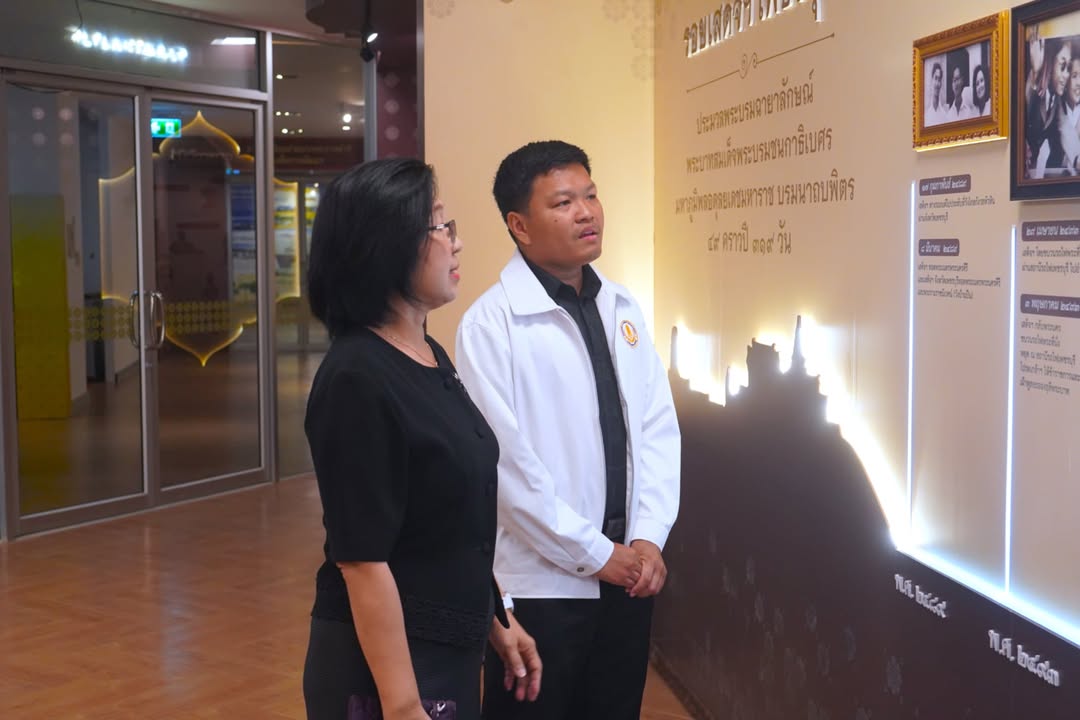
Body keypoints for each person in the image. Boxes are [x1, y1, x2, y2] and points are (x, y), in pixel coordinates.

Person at [302, 158, 541, 720]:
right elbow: (362, 561)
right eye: (439, 226)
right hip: (386, 670)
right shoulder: (357, 378)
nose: (456, 243)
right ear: (384, 246)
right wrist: (405, 704)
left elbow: (444, 523)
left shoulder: (426, 353)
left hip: (442, 644)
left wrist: (495, 618)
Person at [455, 140, 681, 720]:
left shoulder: (622, 307)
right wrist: (595, 554)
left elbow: (657, 428)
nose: (586, 212)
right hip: (542, 587)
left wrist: (648, 538)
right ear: (519, 225)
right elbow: (507, 471)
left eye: (591, 195)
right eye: (563, 202)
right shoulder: (490, 325)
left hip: (629, 575)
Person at [925, 61, 947, 126]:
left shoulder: (944, 116)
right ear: (932, 80)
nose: (937, 84)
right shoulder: (926, 116)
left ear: (941, 84)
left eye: (939, 80)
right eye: (935, 78)